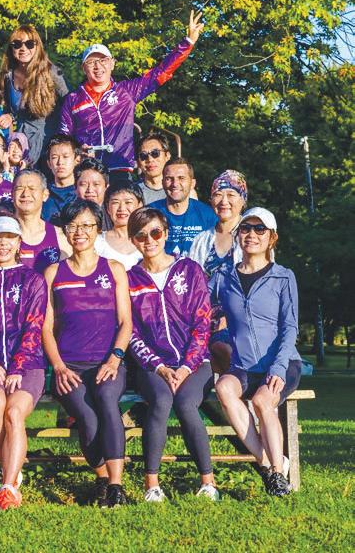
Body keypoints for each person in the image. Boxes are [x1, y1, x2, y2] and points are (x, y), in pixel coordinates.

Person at [42, 200, 133, 507]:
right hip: (68, 365)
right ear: (65, 232)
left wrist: (115, 358)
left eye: (86, 225)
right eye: (72, 226)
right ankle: (103, 478)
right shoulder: (54, 272)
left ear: (97, 229)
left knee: (107, 399)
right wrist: (58, 367)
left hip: (108, 362)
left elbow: (126, 322)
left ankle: (116, 486)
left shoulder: (114, 269)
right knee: (86, 416)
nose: (79, 232)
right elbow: (45, 328)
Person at [125, 208, 217, 502]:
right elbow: (130, 332)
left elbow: (203, 322)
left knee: (187, 404)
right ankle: (151, 485)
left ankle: (208, 482)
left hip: (195, 363)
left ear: (165, 233)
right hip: (152, 366)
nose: (149, 240)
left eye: (155, 233)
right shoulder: (129, 279)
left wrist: (187, 367)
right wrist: (159, 366)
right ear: (132, 240)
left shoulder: (190, 270)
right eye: (141, 235)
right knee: (161, 401)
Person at [211, 207, 302, 496]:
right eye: (246, 229)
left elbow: (290, 327)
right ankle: (269, 464)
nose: (252, 235)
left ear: (271, 237)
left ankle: (277, 474)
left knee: (263, 401)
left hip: (282, 363)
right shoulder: (223, 276)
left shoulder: (283, 277)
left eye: (260, 229)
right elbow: (198, 306)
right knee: (224, 388)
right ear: (238, 235)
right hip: (242, 365)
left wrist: (278, 367)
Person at [59, 11, 203, 178]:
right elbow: (63, 138)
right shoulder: (73, 99)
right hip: (86, 170)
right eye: (91, 62)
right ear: (84, 68)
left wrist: (188, 42)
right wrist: (77, 151)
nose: (98, 67)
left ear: (112, 64)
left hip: (119, 168)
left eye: (103, 60)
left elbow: (161, 72)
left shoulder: (126, 91)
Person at [0, 214, 48, 509]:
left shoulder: (33, 280)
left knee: (14, 413)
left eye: (9, 238)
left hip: (28, 365)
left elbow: (34, 326)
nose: (3, 244)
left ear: (18, 243)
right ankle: (12, 472)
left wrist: (17, 367)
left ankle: (8, 487)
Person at [0, 25, 70, 165]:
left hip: (48, 143)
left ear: (38, 46)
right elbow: (9, 110)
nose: (23, 49)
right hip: (21, 144)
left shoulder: (52, 72)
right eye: (17, 44)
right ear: (11, 48)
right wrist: (9, 116)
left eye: (29, 44)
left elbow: (70, 104)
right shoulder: (8, 76)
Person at [151, 158, 218, 256]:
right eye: (169, 179)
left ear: (192, 183)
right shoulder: (150, 213)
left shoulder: (209, 216)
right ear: (162, 183)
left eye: (181, 178)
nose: (175, 184)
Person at [189, 170, 246, 277]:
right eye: (218, 195)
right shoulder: (201, 240)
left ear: (242, 200)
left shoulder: (254, 237)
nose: (224, 201)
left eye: (231, 195)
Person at [12, 169, 70, 273]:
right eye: (19, 188)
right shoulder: (0, 235)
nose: (25, 194)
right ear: (12, 194)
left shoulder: (60, 236)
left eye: (32, 188)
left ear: (45, 195)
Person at [94, 182, 144, 270]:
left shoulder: (149, 240)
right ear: (107, 208)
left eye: (128, 202)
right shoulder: (97, 242)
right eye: (115, 203)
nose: (122, 208)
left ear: (140, 206)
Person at [41, 134, 81, 223]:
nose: (60, 162)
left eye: (65, 157)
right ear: (49, 163)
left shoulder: (83, 192)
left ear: (77, 160)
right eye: (54, 157)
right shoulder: (42, 194)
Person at [136, 133, 172, 205]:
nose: (150, 159)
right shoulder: (132, 193)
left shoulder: (180, 190)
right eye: (143, 155)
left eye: (155, 153)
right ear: (138, 162)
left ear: (167, 156)